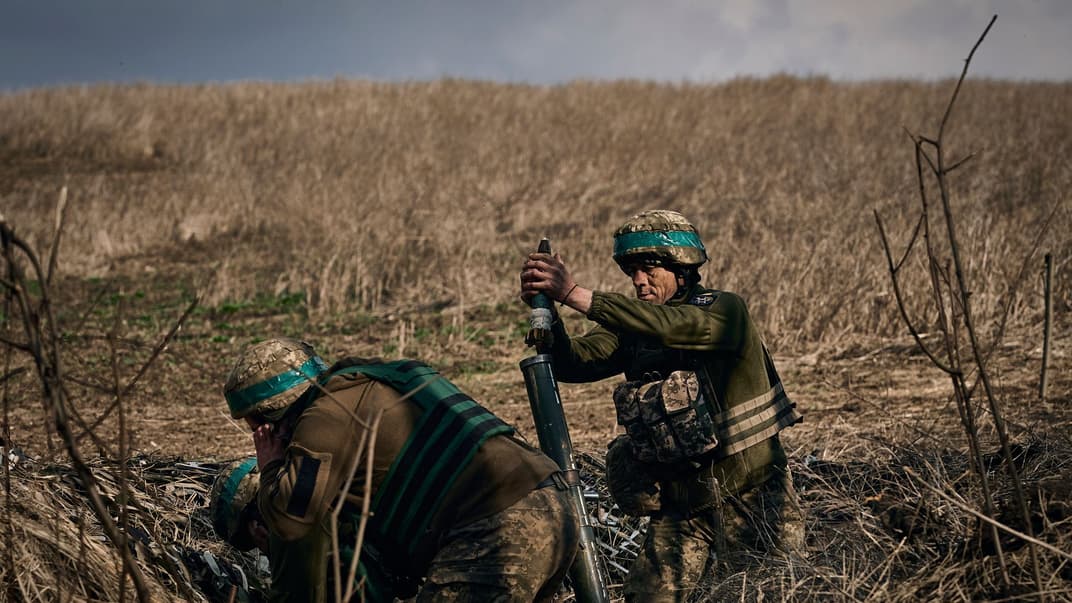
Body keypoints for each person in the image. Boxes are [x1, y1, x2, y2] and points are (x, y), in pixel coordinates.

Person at [520, 209, 804, 602]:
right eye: (632, 271)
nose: (638, 280)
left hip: (752, 495)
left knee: (769, 592)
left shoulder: (724, 310)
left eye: (648, 269)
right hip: (680, 505)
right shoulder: (635, 329)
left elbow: (676, 326)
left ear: (680, 268)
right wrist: (549, 314)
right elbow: (576, 362)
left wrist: (574, 293)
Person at [222, 338, 579, 602]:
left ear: (269, 415)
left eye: (254, 426)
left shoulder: (324, 416)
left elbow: (290, 521)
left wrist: (270, 467)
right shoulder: (376, 379)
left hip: (496, 528)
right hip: (553, 504)